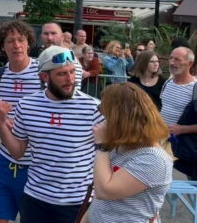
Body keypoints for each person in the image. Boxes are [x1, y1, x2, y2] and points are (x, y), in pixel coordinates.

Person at [0, 46, 103, 223]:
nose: (70, 79)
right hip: (35, 199)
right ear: (44, 77)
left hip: (77, 203)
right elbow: (17, 152)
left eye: (72, 72)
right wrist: (1, 123)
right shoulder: (27, 105)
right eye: (62, 74)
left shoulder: (93, 107)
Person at [0, 20, 41, 223]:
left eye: (21, 40)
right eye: (10, 41)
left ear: (28, 43)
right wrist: (0, 120)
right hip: (5, 159)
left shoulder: (43, 74)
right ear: (2, 47)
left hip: (37, 164)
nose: (16, 45)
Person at [83, 83, 172, 223]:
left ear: (121, 118)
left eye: (105, 112)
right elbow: (98, 199)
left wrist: (101, 145)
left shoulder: (153, 159)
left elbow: (104, 191)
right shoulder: (120, 146)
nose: (102, 119)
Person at [160, 46, 197, 178]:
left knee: (189, 189)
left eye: (177, 60)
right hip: (163, 143)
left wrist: (182, 129)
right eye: (171, 58)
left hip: (184, 148)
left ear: (190, 63)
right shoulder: (167, 83)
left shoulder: (194, 88)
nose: (172, 62)